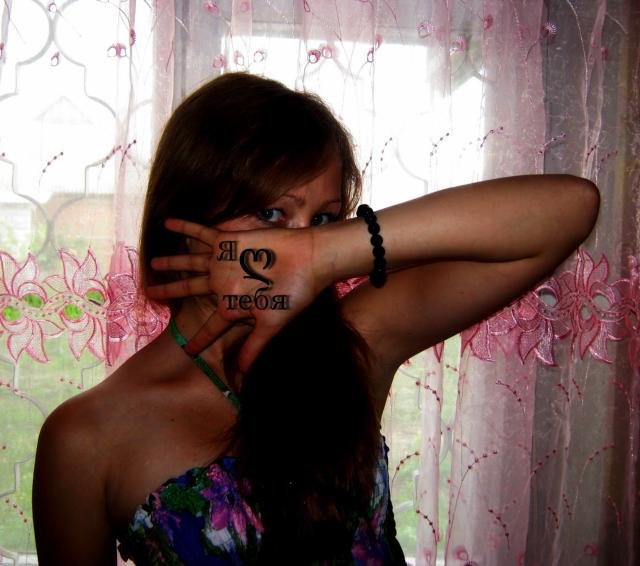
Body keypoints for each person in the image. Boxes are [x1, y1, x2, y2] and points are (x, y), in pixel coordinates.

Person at [32, 72, 599, 565]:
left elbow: (570, 208)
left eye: (324, 219)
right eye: (272, 213)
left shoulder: (358, 342)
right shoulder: (85, 438)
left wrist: (326, 252)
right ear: (184, 213)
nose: (296, 248)